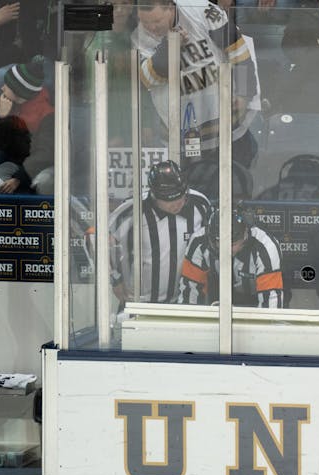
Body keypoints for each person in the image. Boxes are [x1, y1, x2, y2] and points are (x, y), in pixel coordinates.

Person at [132, 0, 260, 168]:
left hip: (226, 123)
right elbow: (148, 79)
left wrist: (244, 94)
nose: (152, 28)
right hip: (180, 133)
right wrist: (170, 47)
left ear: (170, 8)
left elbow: (239, 53)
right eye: (146, 22)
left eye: (157, 21)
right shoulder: (139, 37)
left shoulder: (202, 10)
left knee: (235, 181)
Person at [108, 160, 213, 304]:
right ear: (155, 196)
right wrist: (115, 278)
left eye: (181, 197)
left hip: (186, 302)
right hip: (140, 303)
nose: (177, 204)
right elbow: (98, 237)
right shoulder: (134, 209)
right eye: (169, 200)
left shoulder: (200, 204)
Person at [177, 206, 286, 308]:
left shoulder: (265, 247)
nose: (226, 249)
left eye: (232, 244)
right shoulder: (199, 242)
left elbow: (271, 304)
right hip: (217, 300)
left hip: (255, 301)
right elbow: (189, 294)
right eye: (219, 242)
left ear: (245, 234)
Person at [0, 56, 53, 194]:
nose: (2, 88)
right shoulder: (7, 105)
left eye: (7, 85)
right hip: (15, 164)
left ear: (19, 91)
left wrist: (19, 177)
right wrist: (2, 118)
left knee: (42, 182)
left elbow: (46, 154)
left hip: (41, 167)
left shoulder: (48, 115)